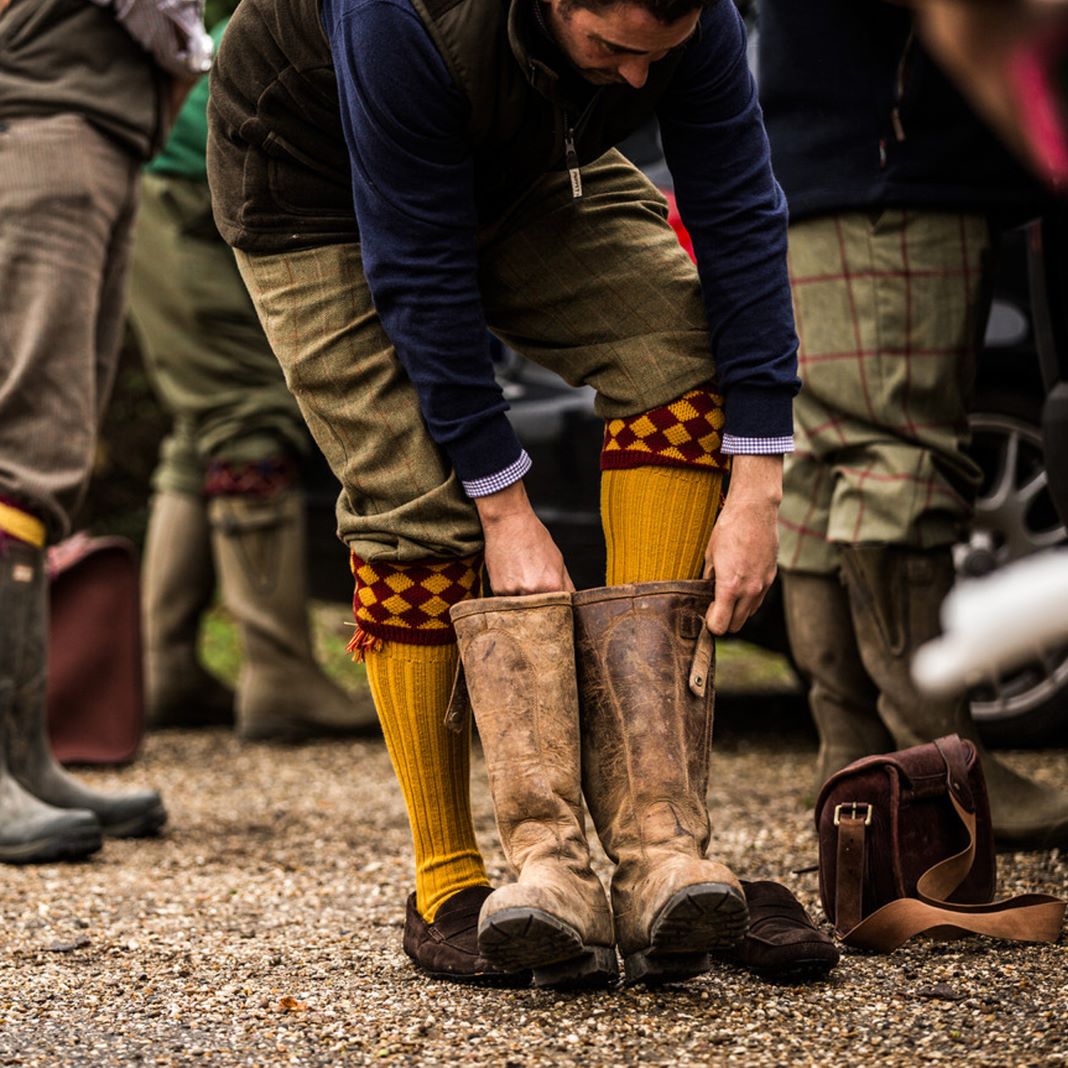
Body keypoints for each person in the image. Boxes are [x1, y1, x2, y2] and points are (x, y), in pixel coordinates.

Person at [207, 0, 813, 984]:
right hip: (309, 184)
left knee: (673, 350)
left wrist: (757, 480)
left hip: (524, 158)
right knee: (416, 501)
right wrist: (506, 509)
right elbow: (419, 271)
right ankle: (451, 879)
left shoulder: (685, 27)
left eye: (652, 57)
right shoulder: (406, 16)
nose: (632, 79)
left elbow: (740, 217)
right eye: (610, 48)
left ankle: (652, 848)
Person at [759, 0, 1068, 850]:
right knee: (900, 464)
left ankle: (857, 770)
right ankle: (940, 775)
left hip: (825, 168)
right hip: (895, 171)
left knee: (829, 472)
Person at [0, 0, 211, 864]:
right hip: (42, 127)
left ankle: (25, 756)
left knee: (49, 450)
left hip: (97, 133)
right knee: (22, 446)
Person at [127, 16, 378, 742]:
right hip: (189, 169)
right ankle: (277, 674)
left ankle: (161, 666)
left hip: (195, 163)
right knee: (245, 417)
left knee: (204, 423)